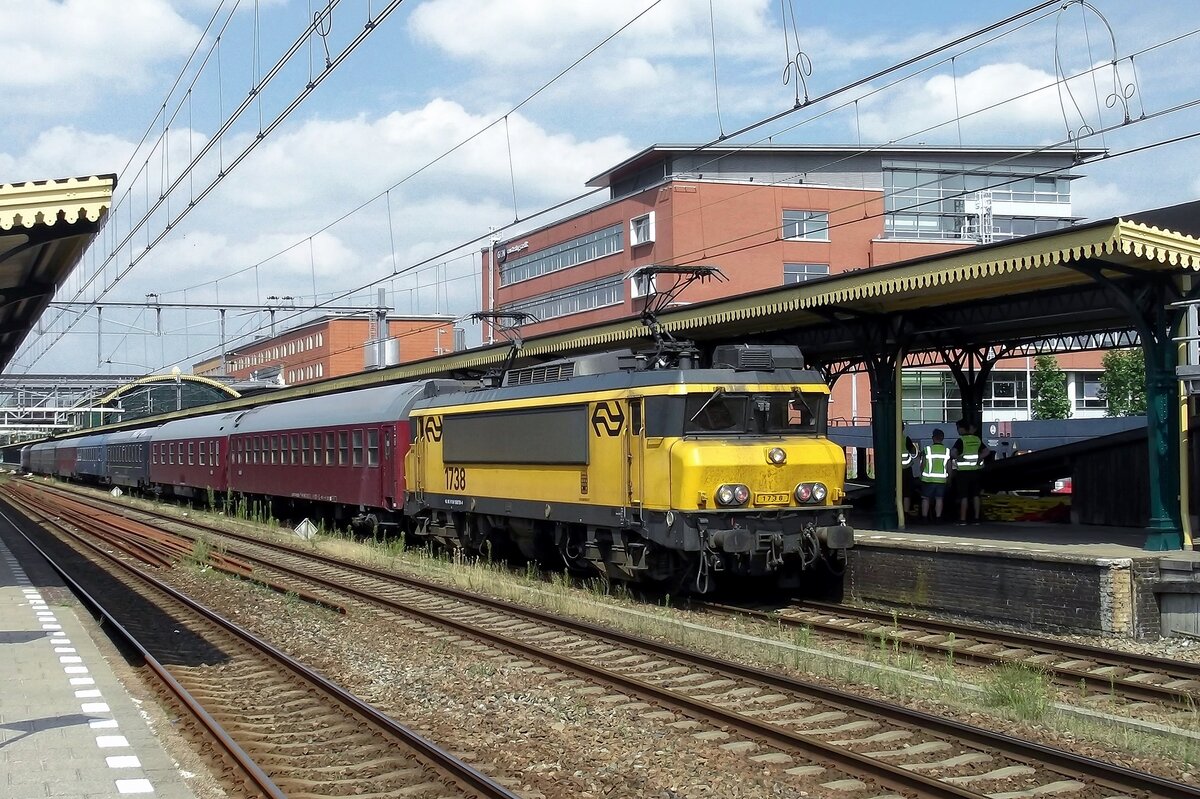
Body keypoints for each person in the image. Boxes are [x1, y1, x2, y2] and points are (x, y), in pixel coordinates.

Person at [952, 419, 990, 525]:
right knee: (976, 495)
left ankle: (963, 519)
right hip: (975, 471)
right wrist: (979, 458)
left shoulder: (961, 440)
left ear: (963, 429)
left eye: (958, 428)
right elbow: (987, 451)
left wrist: (958, 457)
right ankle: (976, 519)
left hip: (963, 473)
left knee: (964, 496)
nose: (958, 430)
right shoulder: (977, 439)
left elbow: (953, 452)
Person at [919, 428, 951, 523]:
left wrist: (921, 474)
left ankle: (924, 518)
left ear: (933, 438)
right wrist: (949, 478)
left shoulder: (927, 450)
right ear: (942, 438)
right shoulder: (947, 451)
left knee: (925, 498)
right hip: (941, 480)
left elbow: (923, 464)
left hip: (928, 479)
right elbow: (949, 467)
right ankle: (938, 518)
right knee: (939, 499)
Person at [900, 426, 919, 518]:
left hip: (894, 470)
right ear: (903, 428)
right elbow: (913, 451)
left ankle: (896, 510)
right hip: (906, 469)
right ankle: (905, 512)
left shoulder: (890, 438)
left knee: (895, 491)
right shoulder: (906, 439)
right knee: (907, 491)